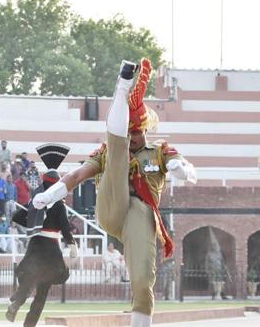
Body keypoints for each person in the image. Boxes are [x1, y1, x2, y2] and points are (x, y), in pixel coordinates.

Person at [31, 59, 197, 327]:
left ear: (145, 130)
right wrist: (51, 194)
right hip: (110, 207)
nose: (132, 138)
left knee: (143, 280)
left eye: (136, 132)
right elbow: (76, 176)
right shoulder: (107, 152)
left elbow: (190, 170)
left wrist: (182, 169)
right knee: (115, 151)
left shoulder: (160, 151)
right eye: (128, 132)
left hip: (140, 215)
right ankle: (122, 88)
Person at [6, 143, 77, 327]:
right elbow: (64, 226)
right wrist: (72, 245)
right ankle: (29, 324)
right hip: (51, 248)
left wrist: (33, 221)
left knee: (28, 278)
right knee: (42, 291)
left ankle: (16, 303)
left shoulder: (36, 201)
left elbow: (17, 216)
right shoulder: (59, 205)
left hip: (35, 244)